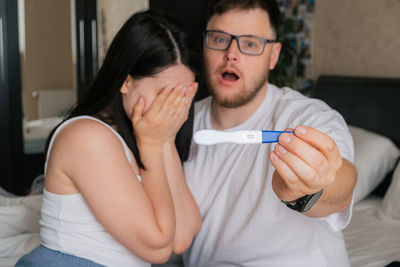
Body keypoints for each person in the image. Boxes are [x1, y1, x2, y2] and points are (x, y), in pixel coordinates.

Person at [16, 10, 202, 267]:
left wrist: (165, 140)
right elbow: (158, 247)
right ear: (126, 82)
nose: (171, 109)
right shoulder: (86, 137)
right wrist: (153, 144)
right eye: (164, 94)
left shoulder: (143, 137)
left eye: (182, 98)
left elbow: (181, 237)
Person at [182, 0, 357, 266]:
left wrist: (308, 189)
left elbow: (341, 189)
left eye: (250, 43)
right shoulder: (179, 120)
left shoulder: (308, 117)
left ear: (273, 56)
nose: (231, 53)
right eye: (219, 39)